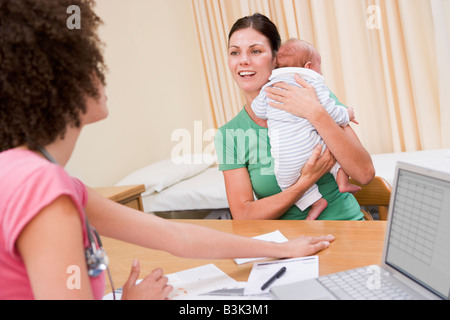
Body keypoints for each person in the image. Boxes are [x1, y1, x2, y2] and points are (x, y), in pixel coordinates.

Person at [0, 0, 335, 300]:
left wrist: (282, 249)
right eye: (93, 64)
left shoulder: (48, 180)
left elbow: (176, 236)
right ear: (65, 81)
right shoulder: (41, 187)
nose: (102, 75)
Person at [215, 13, 374, 221]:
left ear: (275, 59)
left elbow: (364, 173)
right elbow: (244, 215)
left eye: (255, 51)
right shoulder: (229, 136)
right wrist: (304, 183)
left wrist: (314, 113)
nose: (244, 61)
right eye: (234, 53)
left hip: (347, 229)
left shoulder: (314, 95)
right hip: (289, 246)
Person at [251, 38, 362, 220]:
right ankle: (342, 182)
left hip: (288, 158)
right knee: (337, 154)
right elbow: (331, 112)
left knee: (286, 182)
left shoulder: (270, 87)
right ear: (309, 67)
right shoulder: (312, 84)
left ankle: (315, 202)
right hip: (314, 147)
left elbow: (259, 110)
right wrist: (348, 114)